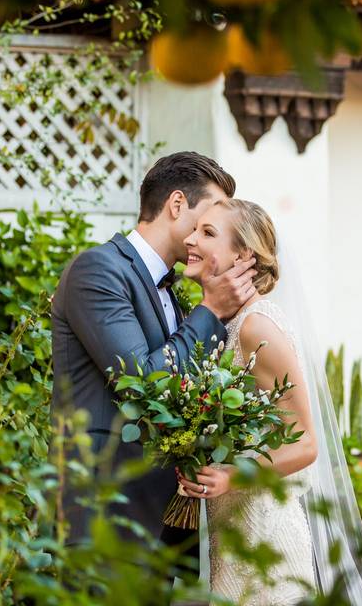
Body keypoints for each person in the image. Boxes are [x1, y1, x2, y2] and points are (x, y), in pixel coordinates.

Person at [50, 152, 255, 575]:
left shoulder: (174, 293)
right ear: (176, 205)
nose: (208, 239)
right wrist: (212, 311)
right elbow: (146, 383)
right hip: (104, 513)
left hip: (158, 520)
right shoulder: (99, 270)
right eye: (208, 222)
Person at [178, 199, 362, 605]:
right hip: (232, 529)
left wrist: (230, 476)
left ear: (243, 255)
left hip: (265, 531)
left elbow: (306, 444)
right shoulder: (221, 323)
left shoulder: (257, 326)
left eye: (207, 232)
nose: (190, 239)